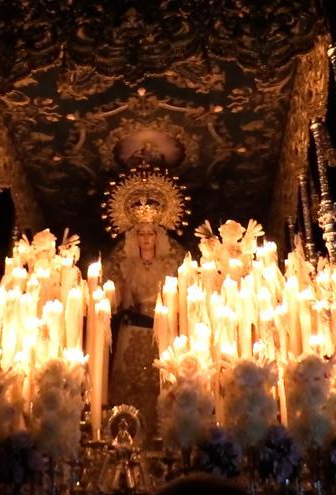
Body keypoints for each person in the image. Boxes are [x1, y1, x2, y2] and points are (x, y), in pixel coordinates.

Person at [102, 163, 188, 441]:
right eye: (141, 233)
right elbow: (111, 298)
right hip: (132, 331)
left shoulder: (171, 262)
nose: (146, 239)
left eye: (150, 233)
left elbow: (184, 294)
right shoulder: (125, 264)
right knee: (129, 385)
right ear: (134, 237)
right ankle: (125, 437)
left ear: (158, 236)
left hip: (162, 331)